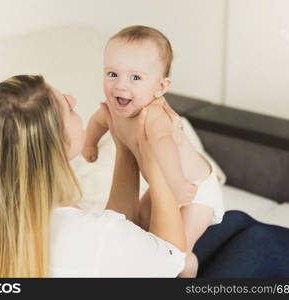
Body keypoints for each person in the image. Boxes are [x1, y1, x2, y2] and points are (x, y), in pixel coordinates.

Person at [0, 74, 193, 277]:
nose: (73, 99)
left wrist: (126, 149)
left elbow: (115, 238)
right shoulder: (91, 234)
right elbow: (172, 262)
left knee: (230, 226)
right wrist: (155, 164)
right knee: (228, 232)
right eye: (68, 109)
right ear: (60, 144)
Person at [81, 25, 224, 277]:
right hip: (164, 183)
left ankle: (187, 272)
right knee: (140, 224)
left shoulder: (155, 115)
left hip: (196, 190)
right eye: (112, 74)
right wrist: (89, 144)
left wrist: (178, 182)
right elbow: (97, 122)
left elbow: (164, 146)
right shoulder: (112, 109)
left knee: (176, 253)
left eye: (135, 78)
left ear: (160, 87)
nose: (120, 86)